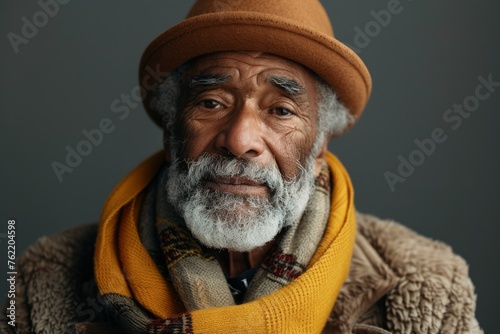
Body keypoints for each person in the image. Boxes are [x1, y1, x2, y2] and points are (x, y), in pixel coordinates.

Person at [1, 0, 482, 333]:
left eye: (281, 110)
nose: (240, 140)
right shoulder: (42, 278)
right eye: (211, 102)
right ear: (172, 132)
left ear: (320, 144)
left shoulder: (424, 287)